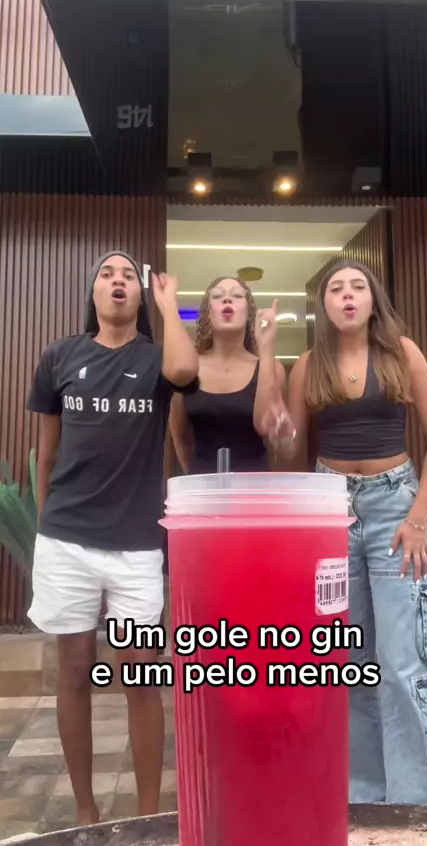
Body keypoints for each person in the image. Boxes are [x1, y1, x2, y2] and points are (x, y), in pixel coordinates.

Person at [259, 260, 427, 805]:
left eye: (357, 287)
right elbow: (290, 453)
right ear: (323, 304)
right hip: (332, 513)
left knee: (402, 663)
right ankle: (364, 800)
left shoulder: (402, 353)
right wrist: (279, 429)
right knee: (347, 663)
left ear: (372, 301)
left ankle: (414, 805)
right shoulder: (309, 365)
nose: (347, 295)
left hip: (396, 512)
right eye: (336, 289)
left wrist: (417, 518)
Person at [26, 251, 199, 826]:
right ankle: (85, 810)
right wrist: (48, 525)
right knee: (74, 672)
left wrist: (170, 306)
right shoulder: (60, 356)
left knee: (140, 676)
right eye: (108, 274)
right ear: (94, 291)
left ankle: (146, 818)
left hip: (136, 546)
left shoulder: (155, 359)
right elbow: (47, 452)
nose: (118, 281)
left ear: (139, 294)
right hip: (67, 540)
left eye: (128, 275)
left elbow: (184, 372)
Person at [169, 275, 287, 474]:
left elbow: (267, 428)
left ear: (248, 313)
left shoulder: (271, 368)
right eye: (217, 296)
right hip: (202, 485)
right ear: (208, 313)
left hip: (253, 484)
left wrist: (266, 348)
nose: (227, 299)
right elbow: (179, 437)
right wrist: (197, 478)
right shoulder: (187, 367)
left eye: (237, 296)